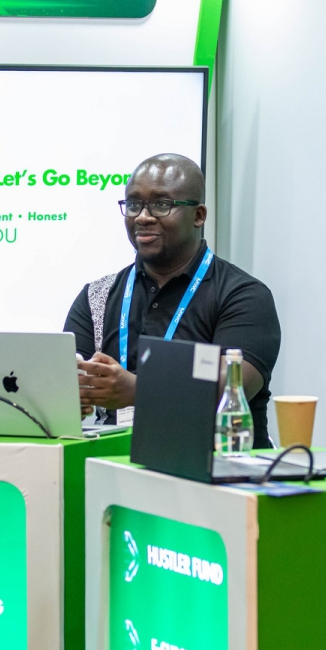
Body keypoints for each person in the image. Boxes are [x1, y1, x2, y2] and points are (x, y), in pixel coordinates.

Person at [64, 153, 281, 445]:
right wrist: (72, 391)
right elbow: (64, 380)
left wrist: (137, 390)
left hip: (217, 471)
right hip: (113, 466)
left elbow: (230, 388)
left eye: (161, 205)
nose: (143, 216)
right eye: (134, 204)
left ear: (199, 215)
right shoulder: (97, 296)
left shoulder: (243, 296)